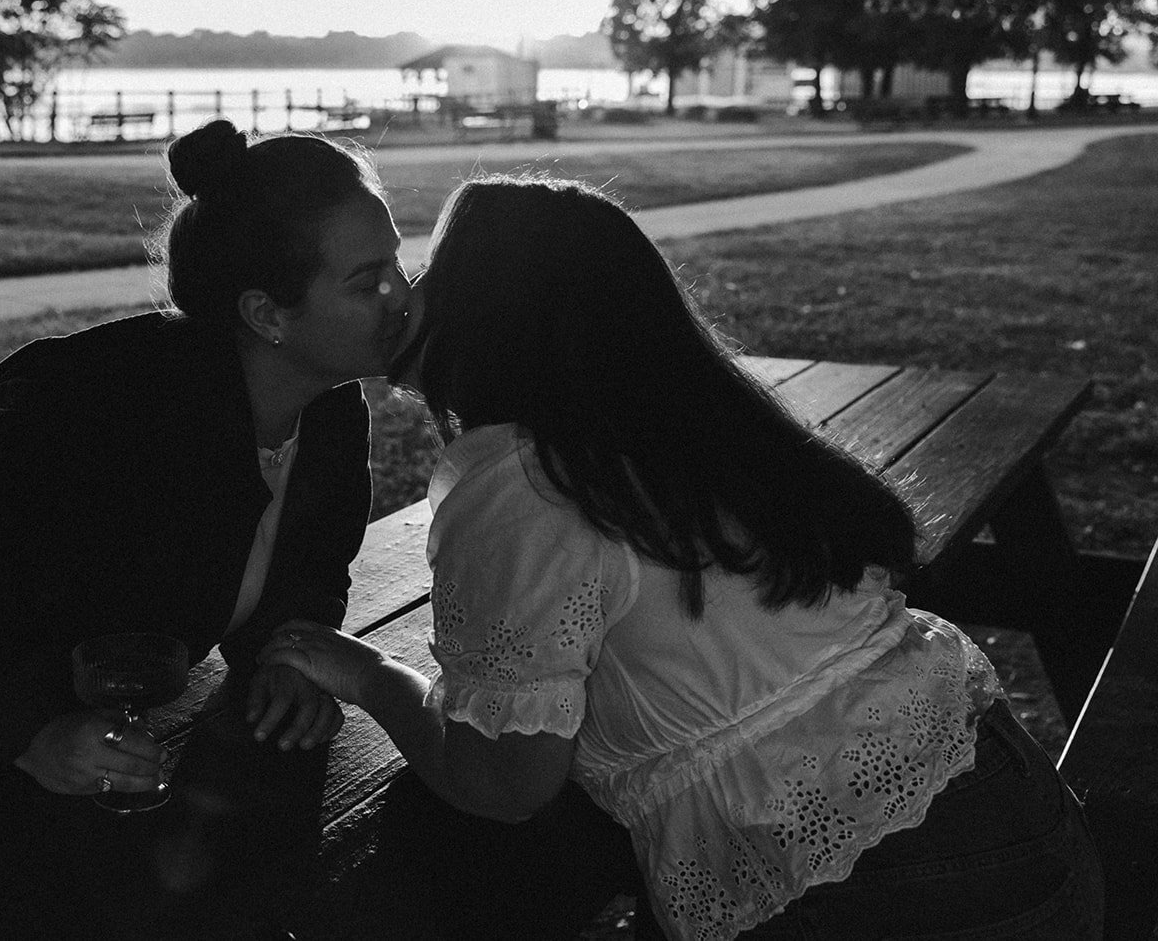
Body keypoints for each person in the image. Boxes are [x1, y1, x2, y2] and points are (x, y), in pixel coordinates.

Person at [260, 176, 1104, 939]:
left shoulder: (520, 483)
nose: (409, 292)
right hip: (1022, 816)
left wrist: (369, 674)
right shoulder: (690, 424)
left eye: (432, 267)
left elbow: (505, 782)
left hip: (889, 889)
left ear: (497, 306)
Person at [0, 119, 413, 800]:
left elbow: (308, 564)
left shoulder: (328, 407)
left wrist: (288, 657)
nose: (402, 296)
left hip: (62, 689)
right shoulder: (101, 407)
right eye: (366, 281)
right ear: (267, 314)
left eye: (397, 264)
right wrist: (30, 732)